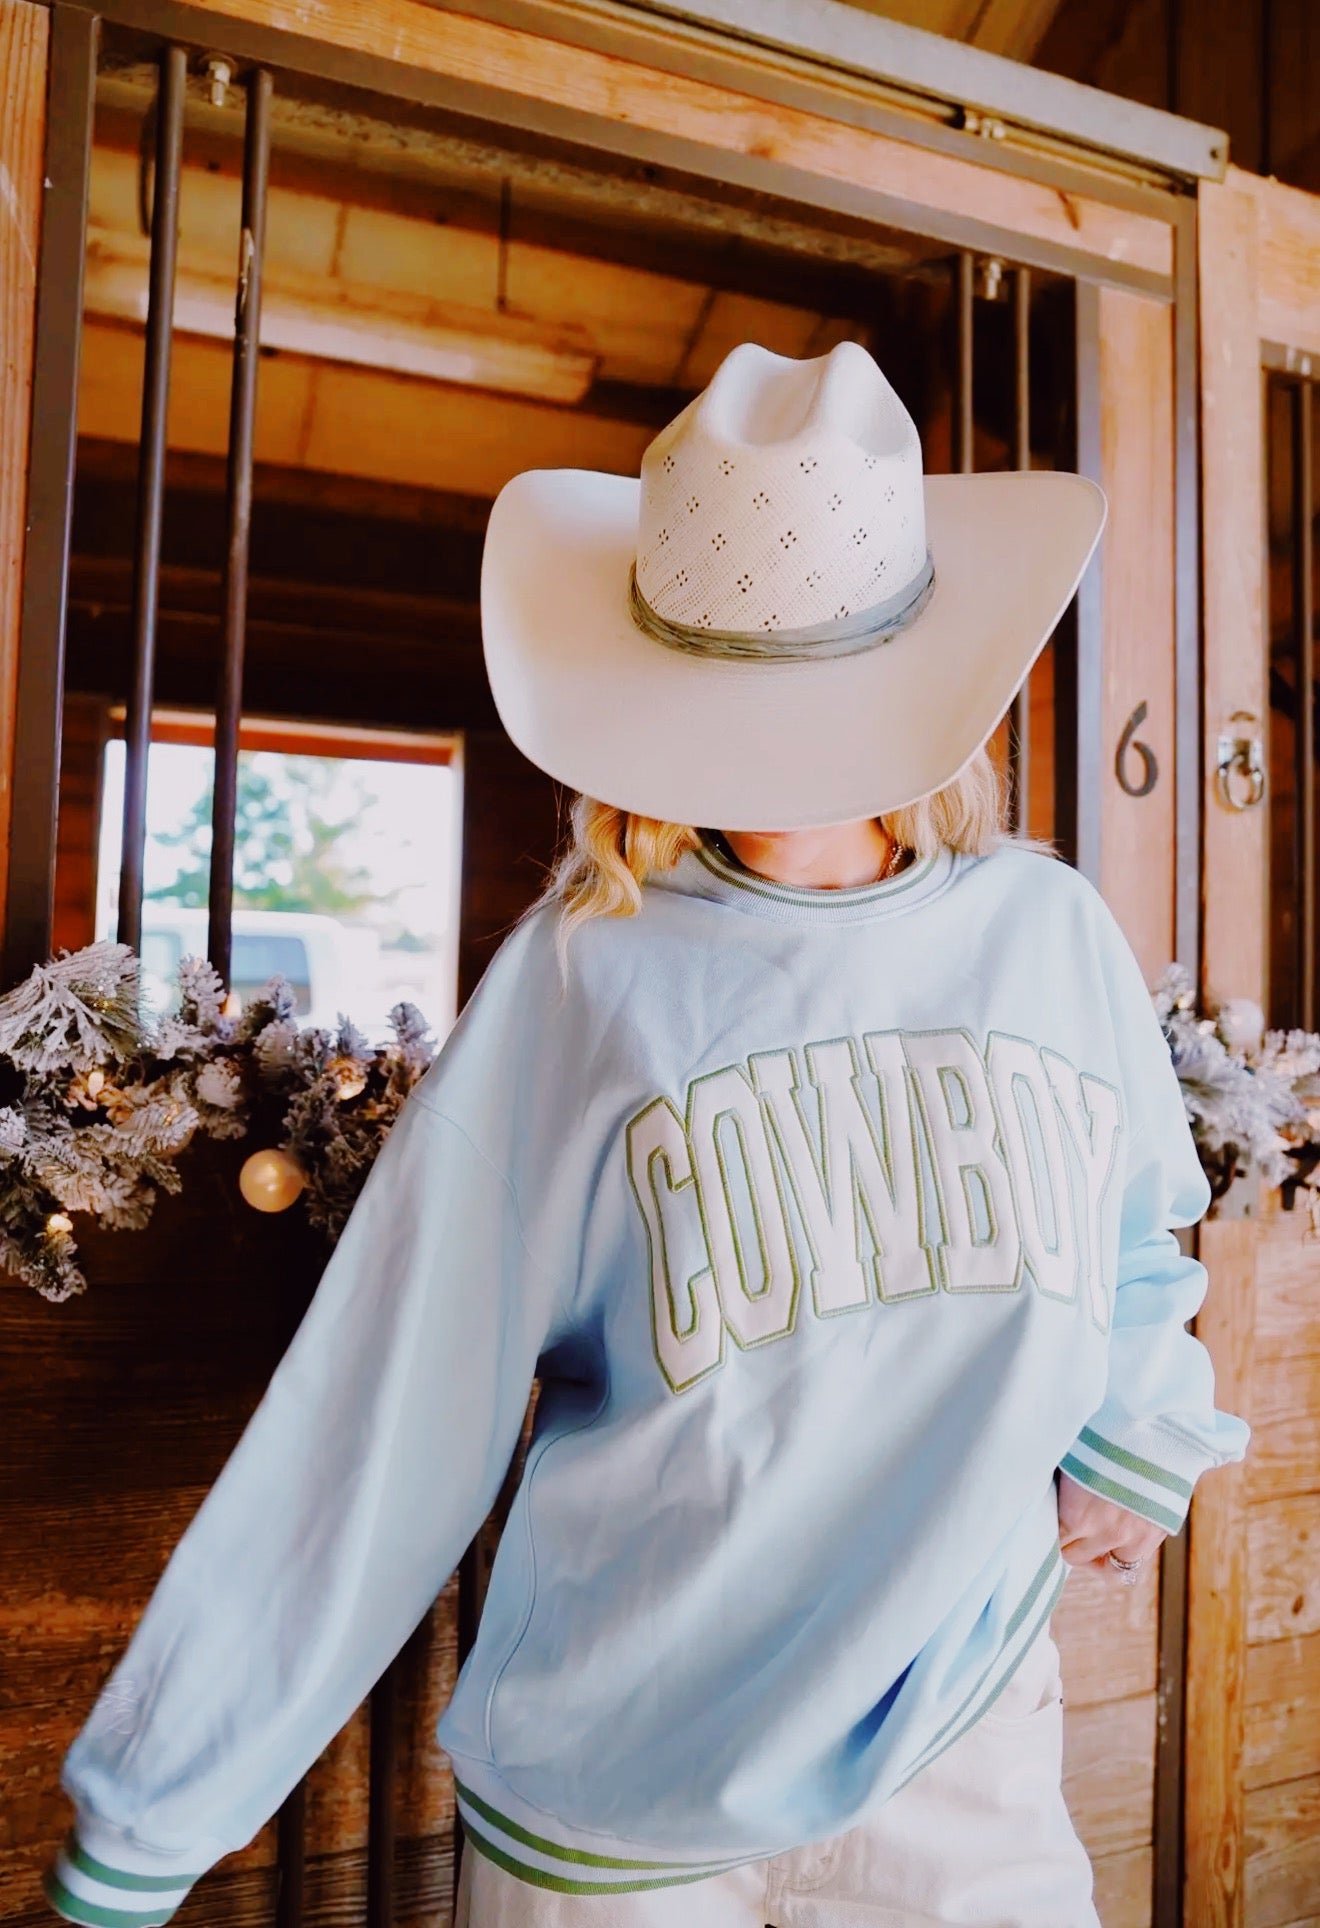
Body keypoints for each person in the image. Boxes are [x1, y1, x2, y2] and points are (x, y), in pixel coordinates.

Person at [45, 341, 1250, 1928]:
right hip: (613, 1803)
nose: (780, 751)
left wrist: (1135, 1437)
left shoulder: (1045, 931)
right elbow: (389, 1406)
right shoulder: (582, 971)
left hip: (964, 1747)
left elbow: (1127, 1240)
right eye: (737, 691)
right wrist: (147, 1819)